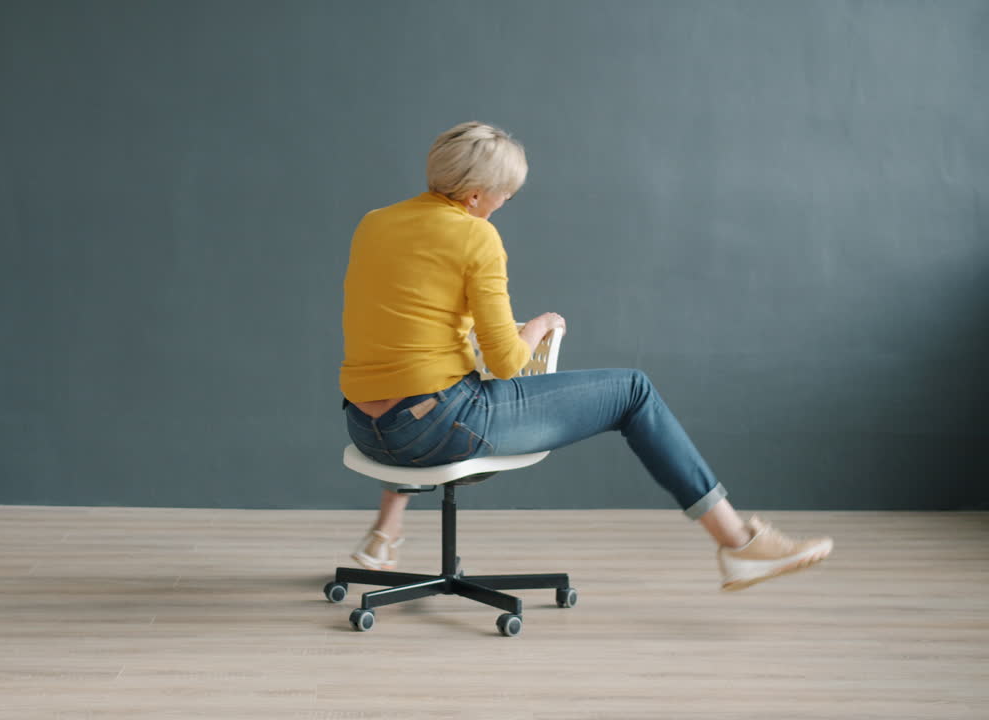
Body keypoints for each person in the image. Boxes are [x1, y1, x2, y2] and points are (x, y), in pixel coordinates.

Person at [339, 121, 832, 592]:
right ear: (474, 195)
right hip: (440, 429)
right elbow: (508, 363)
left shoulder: (374, 223)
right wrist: (542, 324)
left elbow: (401, 331)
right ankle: (737, 543)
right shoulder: (477, 236)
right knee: (633, 392)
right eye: (504, 193)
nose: (505, 202)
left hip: (368, 431)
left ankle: (385, 535)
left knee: (421, 376)